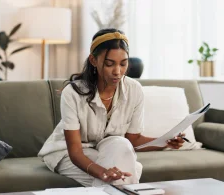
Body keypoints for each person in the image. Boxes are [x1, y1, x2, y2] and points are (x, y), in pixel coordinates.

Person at [38, 28, 185, 187]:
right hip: (68, 154)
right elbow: (75, 152)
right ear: (93, 60)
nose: (118, 72)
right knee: (126, 173)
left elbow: (132, 140)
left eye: (123, 64)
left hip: (109, 149)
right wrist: (103, 173)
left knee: (121, 144)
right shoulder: (73, 93)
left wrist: (165, 142)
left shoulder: (134, 90)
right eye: (109, 64)